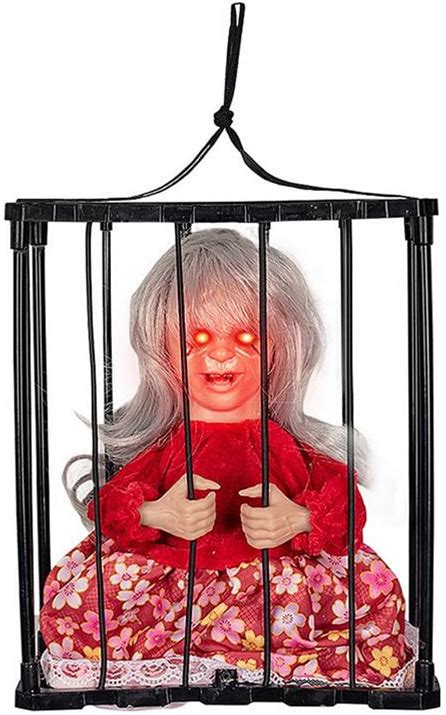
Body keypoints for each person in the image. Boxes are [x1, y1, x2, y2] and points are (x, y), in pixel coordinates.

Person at [39, 228, 416, 690]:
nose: (220, 353)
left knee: (372, 603)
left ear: (280, 345)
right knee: (82, 606)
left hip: (278, 598)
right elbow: (109, 508)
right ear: (161, 350)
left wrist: (299, 519)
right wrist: (155, 513)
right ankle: (185, 660)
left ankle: (260, 661)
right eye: (198, 337)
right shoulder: (168, 445)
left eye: (245, 336)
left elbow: (346, 511)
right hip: (172, 593)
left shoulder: (286, 446)